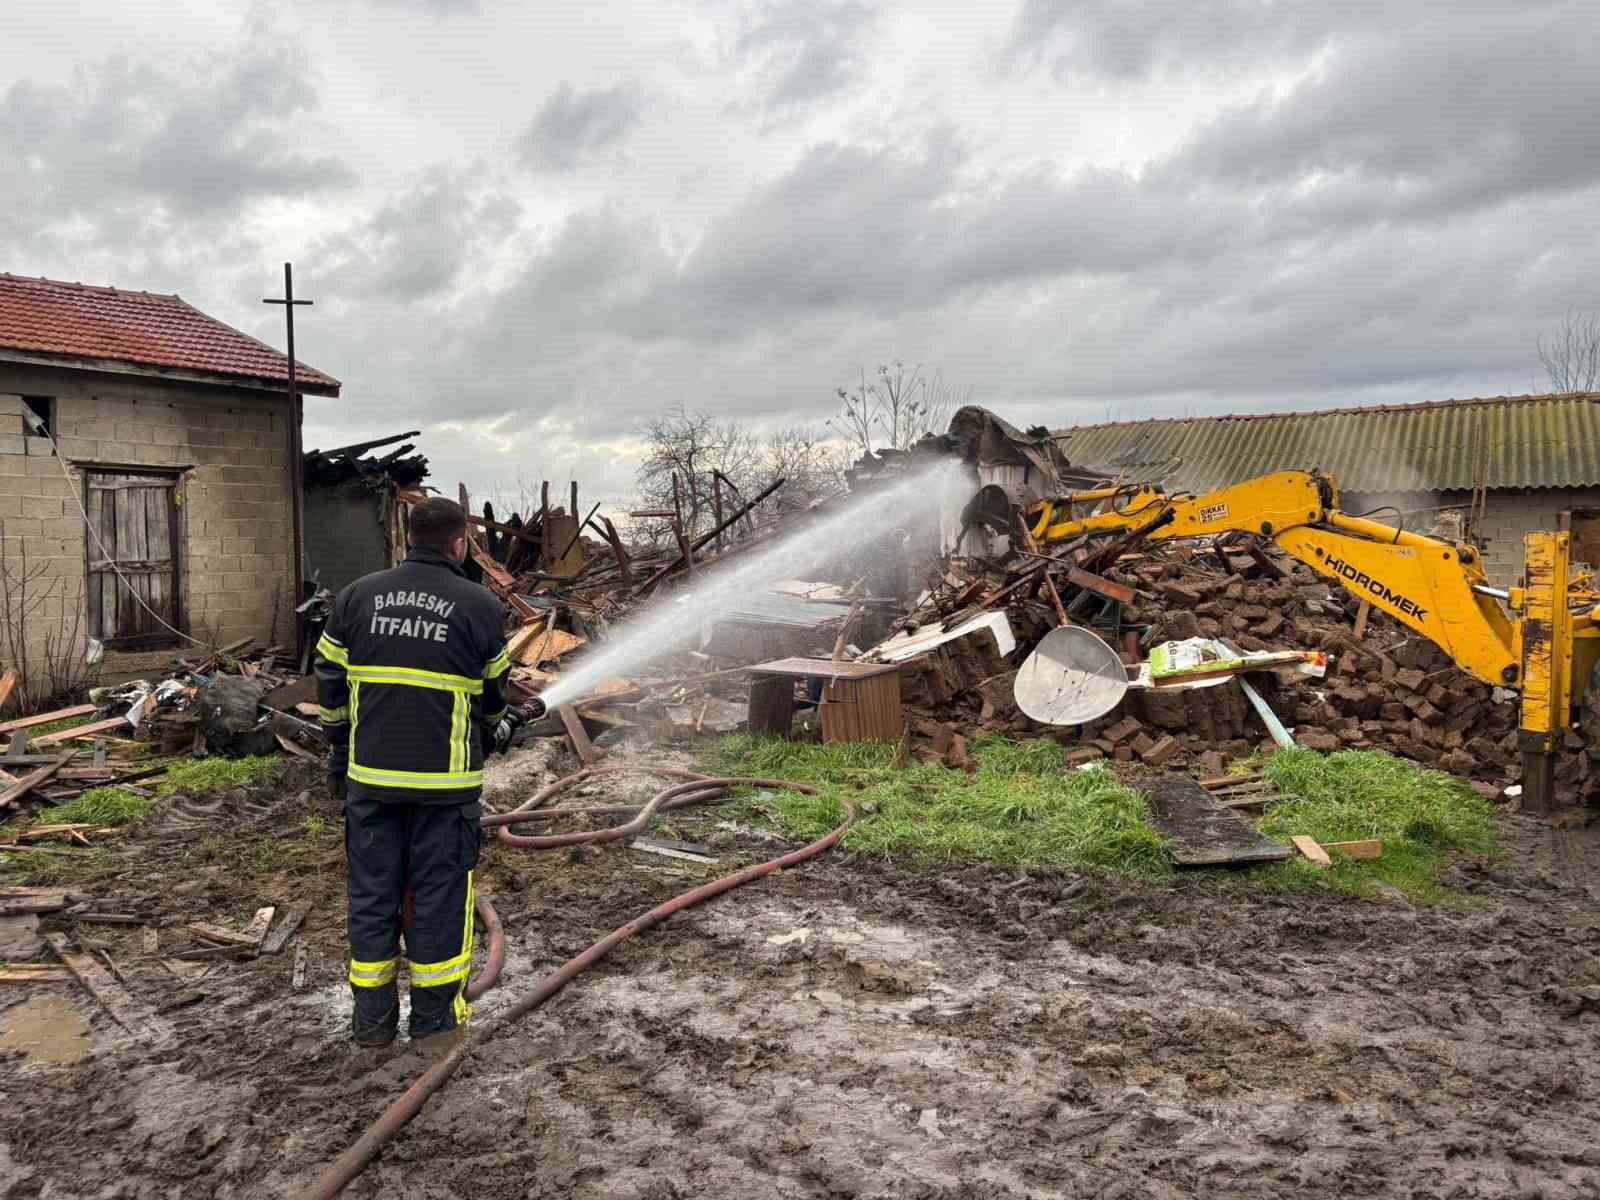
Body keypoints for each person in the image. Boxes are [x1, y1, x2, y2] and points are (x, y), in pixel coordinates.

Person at [314, 497, 523, 1045]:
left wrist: (340, 753)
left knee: (372, 895)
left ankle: (372, 1023)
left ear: (409, 538)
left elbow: (330, 688)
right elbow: (495, 700)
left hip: (371, 785)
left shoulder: (357, 596)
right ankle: (434, 1021)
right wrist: (494, 727)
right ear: (459, 544)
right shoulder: (479, 605)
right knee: (440, 900)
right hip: (445, 790)